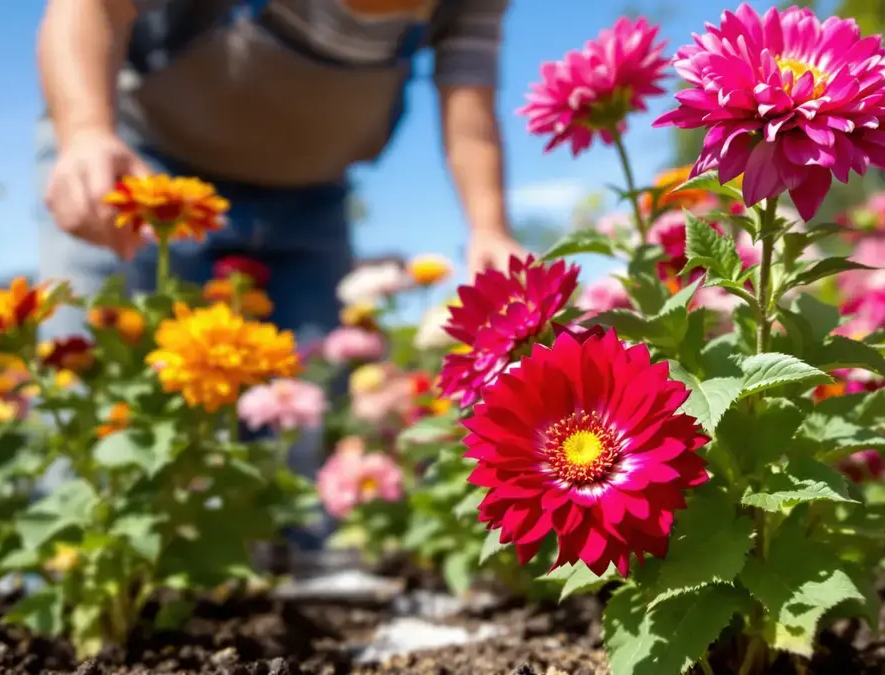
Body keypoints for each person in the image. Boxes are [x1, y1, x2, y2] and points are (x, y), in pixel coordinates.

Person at [34, 0, 523, 576]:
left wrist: (489, 228)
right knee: (95, 394)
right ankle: (70, 586)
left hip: (310, 194)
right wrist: (85, 132)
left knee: (298, 424)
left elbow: (469, 108)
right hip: (144, 163)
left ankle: (291, 588)